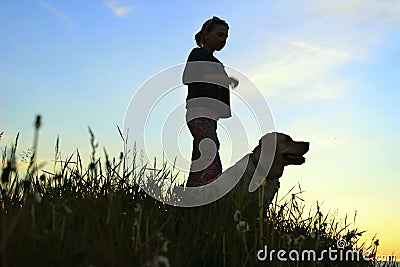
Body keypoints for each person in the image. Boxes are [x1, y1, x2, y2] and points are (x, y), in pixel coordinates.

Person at [182, 16, 238, 187]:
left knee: (201, 156)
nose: (223, 40)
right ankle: (210, 191)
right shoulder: (198, 53)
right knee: (210, 151)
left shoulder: (218, 64)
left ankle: (189, 200)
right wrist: (220, 78)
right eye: (219, 35)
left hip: (210, 116)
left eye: (225, 37)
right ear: (206, 35)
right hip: (199, 112)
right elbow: (188, 77)